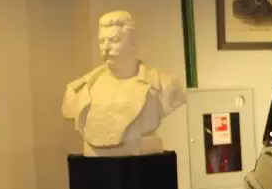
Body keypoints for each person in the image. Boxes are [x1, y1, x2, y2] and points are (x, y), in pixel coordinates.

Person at [61, 11, 186, 157]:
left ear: (133, 42)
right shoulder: (78, 90)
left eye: (114, 40)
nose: (106, 47)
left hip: (140, 165)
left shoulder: (165, 85)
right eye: (101, 41)